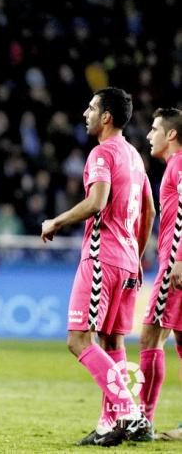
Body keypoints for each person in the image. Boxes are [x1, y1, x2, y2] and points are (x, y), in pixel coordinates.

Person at [41, 87, 156, 447]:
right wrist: (136, 255)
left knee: (79, 340)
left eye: (91, 108)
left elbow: (96, 201)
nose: (86, 113)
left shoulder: (102, 153)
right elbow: (149, 210)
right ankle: (110, 424)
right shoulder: (135, 157)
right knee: (112, 341)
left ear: (106, 116)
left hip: (101, 258)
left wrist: (55, 222)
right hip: (127, 262)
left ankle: (129, 412)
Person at [139, 108, 182, 441]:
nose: (150, 135)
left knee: (150, 335)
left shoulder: (179, 164)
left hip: (175, 265)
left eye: (155, 129)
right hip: (173, 261)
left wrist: (178, 259)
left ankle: (143, 419)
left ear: (171, 135)